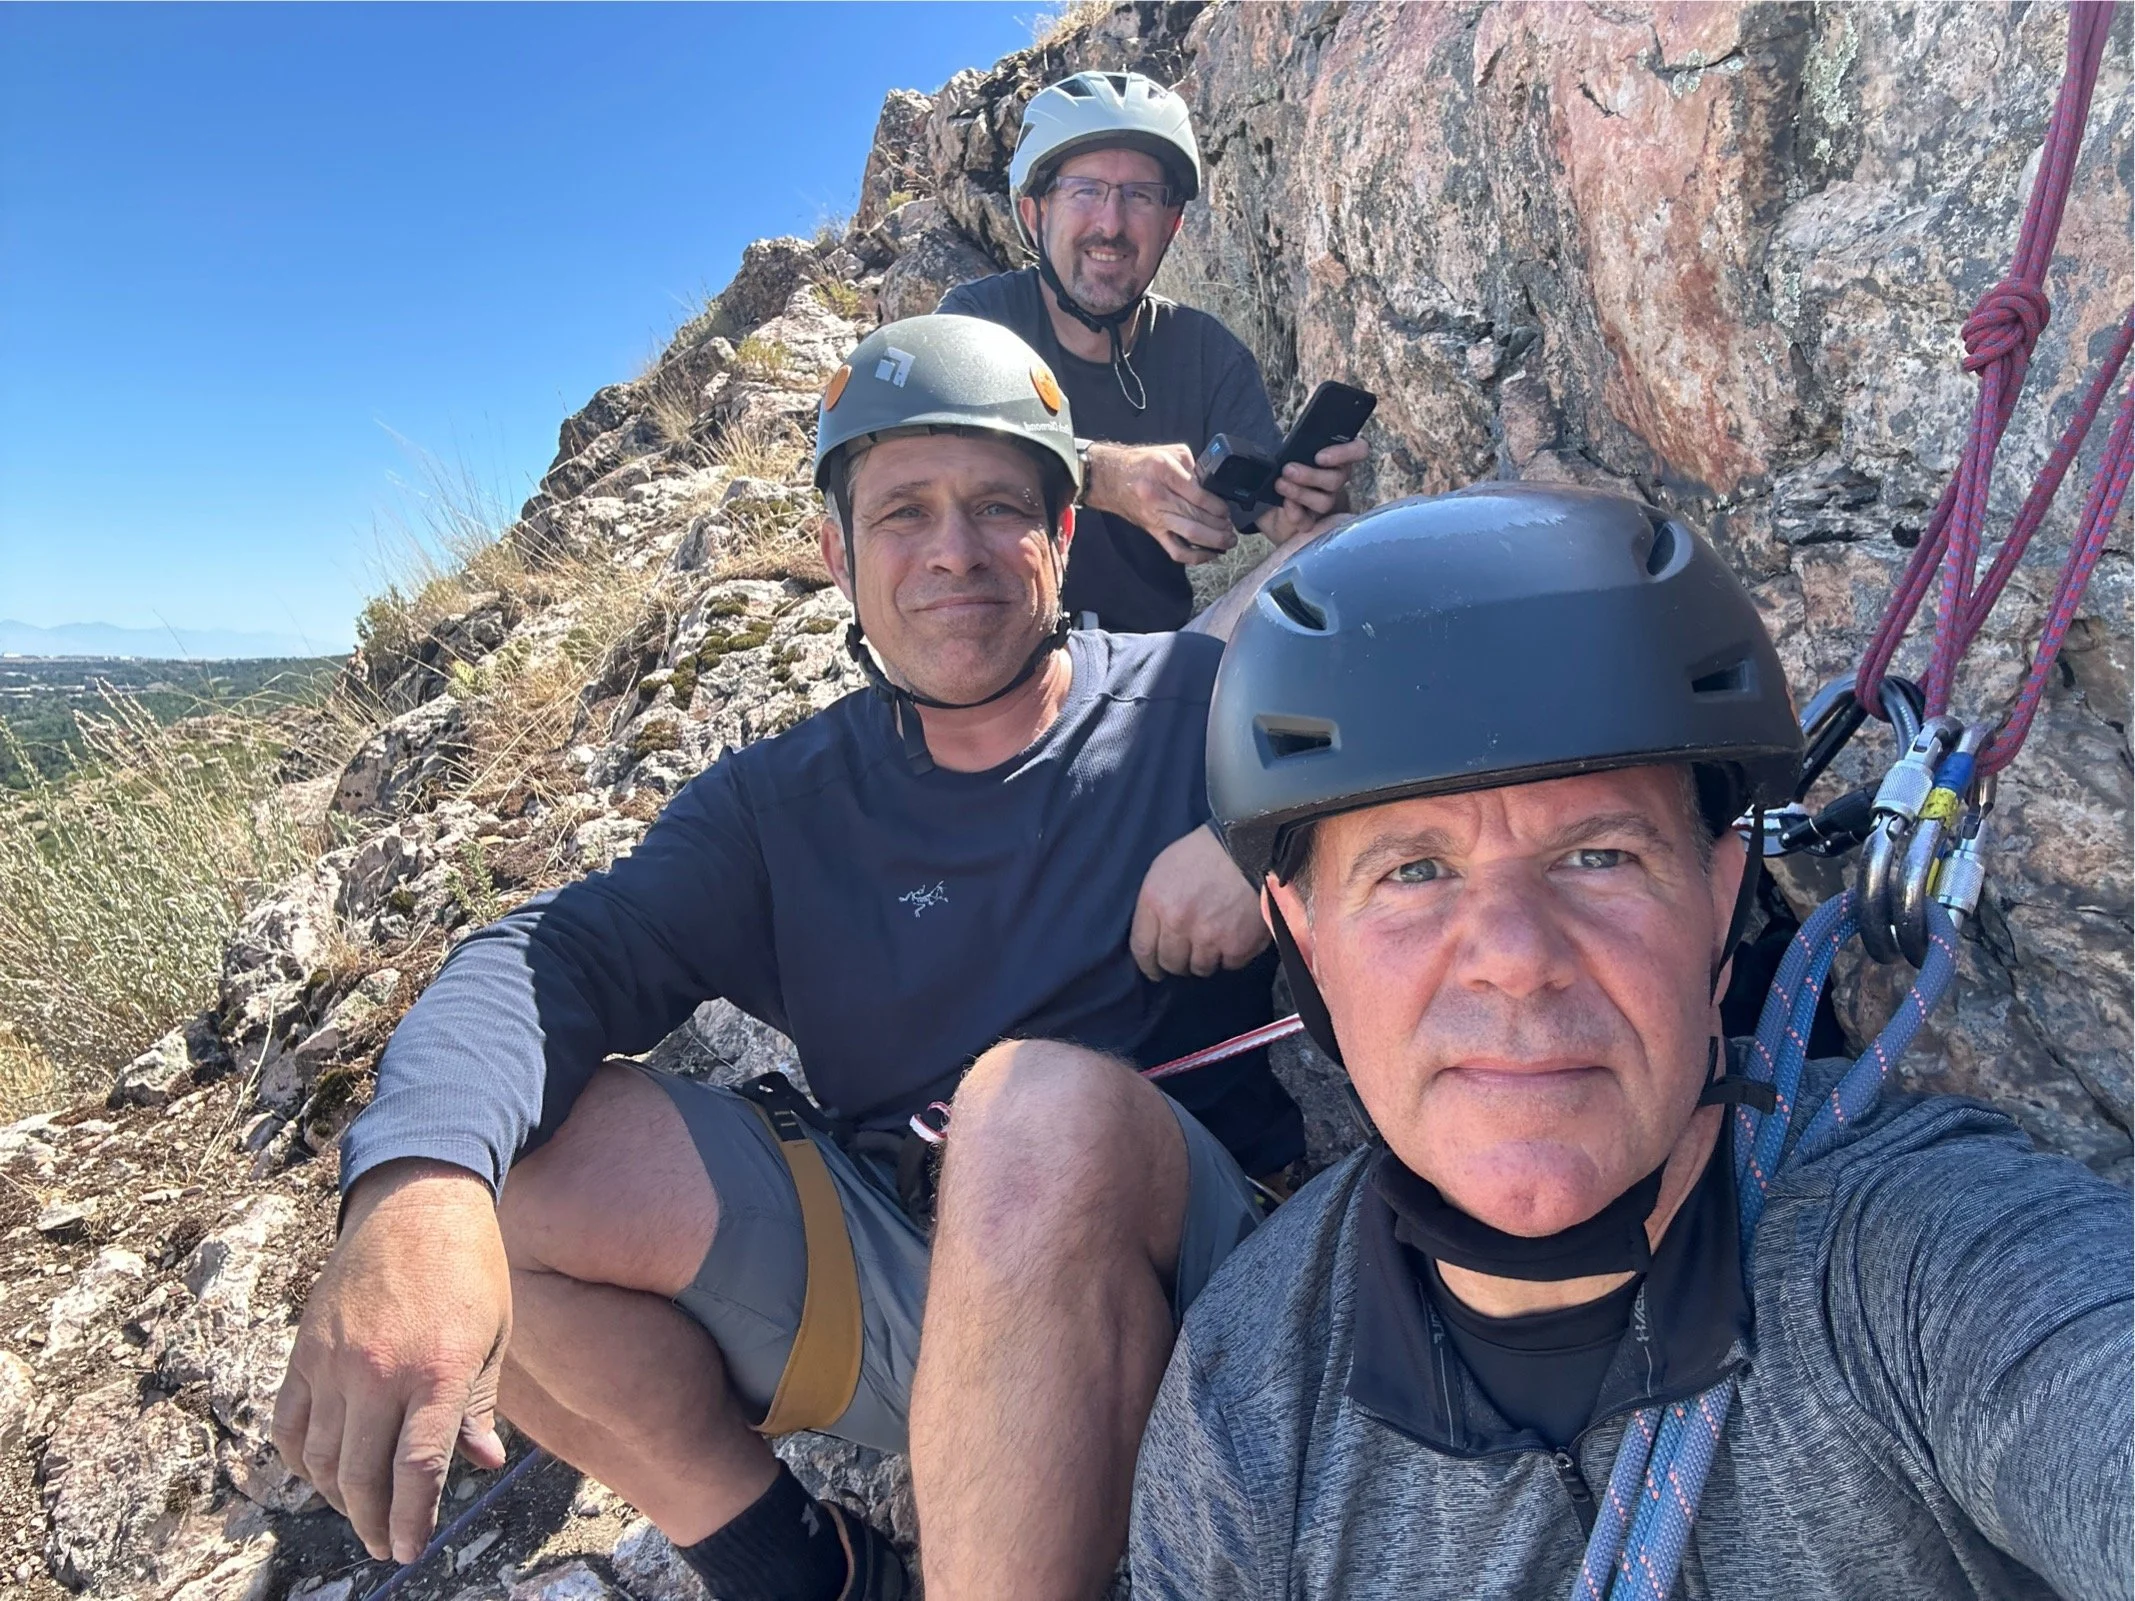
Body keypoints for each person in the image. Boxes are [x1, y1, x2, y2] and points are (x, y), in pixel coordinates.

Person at [272, 315, 1322, 1601]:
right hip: (915, 1268)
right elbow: (552, 952)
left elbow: (1431, 646)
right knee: (514, 1177)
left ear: (1059, 538)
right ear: (836, 557)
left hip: (1196, 1269)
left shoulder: (1196, 702)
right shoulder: (783, 808)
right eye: (902, 512)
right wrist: (416, 1182)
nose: (952, 549)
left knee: (1031, 1109)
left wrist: (1262, 826)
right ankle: (802, 1568)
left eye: (999, 504)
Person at [1120, 484, 2134, 1600]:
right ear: (1302, 941)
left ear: (1720, 889)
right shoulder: (1249, 1391)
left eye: (1596, 854)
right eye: (1412, 871)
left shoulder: (1921, 1260)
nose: (1513, 955)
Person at [939, 70, 1367, 634]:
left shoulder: (1206, 355)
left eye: (1140, 196)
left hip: (1155, 671)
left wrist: (1311, 514)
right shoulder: (978, 324)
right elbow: (931, 453)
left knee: (1344, 562)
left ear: (1171, 224)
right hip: (996, 651)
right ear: (1034, 213)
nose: (1111, 224)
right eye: (1085, 189)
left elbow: (1282, 520)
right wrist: (1098, 474)